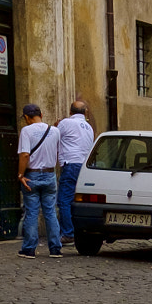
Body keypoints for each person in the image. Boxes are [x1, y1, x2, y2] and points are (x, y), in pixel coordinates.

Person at [18, 103, 62, 256]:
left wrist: (20, 175)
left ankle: (29, 248)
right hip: (50, 174)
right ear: (41, 115)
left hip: (32, 175)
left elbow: (24, 155)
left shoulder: (26, 131)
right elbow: (57, 153)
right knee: (50, 212)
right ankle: (55, 248)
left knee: (31, 212)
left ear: (26, 117)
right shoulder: (55, 131)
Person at [55, 98, 95, 244]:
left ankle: (68, 233)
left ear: (70, 112)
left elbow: (54, 137)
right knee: (75, 200)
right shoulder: (88, 127)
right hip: (84, 166)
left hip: (71, 164)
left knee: (64, 201)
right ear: (85, 112)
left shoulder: (66, 123)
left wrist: (56, 126)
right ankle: (75, 230)